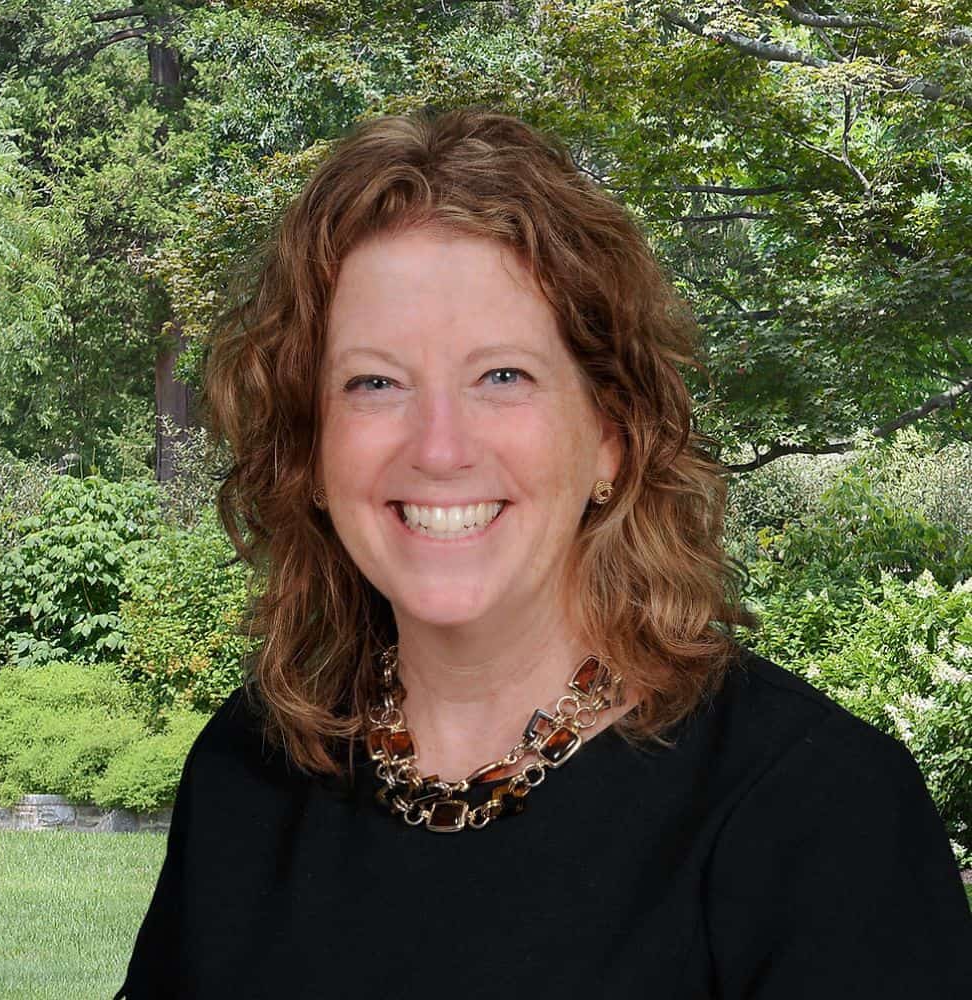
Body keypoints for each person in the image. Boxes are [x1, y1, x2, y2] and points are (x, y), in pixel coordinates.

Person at [114, 106, 972, 999]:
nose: (439, 448)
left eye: (502, 376)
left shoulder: (821, 809)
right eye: (374, 382)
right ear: (313, 453)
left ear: (610, 435)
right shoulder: (249, 770)